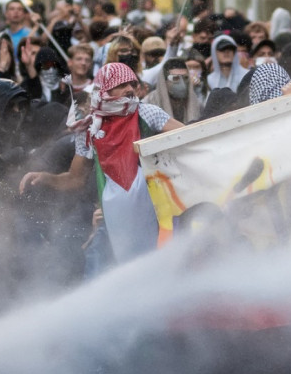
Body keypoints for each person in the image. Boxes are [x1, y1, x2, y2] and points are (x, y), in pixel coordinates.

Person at [19, 62, 183, 262]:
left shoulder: (147, 113)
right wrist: (45, 178)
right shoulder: (90, 128)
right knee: (122, 267)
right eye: (122, 85)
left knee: (159, 261)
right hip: (113, 213)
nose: (130, 89)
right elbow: (75, 179)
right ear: (105, 88)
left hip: (153, 204)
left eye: (132, 84)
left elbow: (187, 138)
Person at [144, 58, 202, 124]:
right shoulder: (149, 104)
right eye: (175, 78)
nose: (182, 83)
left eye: (185, 78)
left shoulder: (196, 104)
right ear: (164, 82)